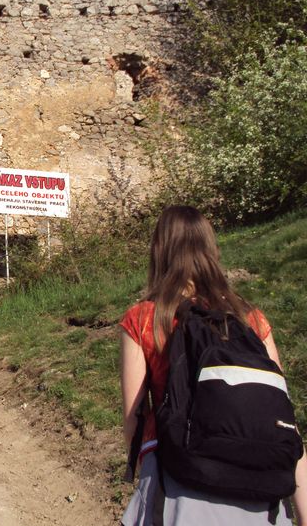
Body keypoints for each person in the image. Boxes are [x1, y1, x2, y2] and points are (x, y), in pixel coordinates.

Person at [120, 205, 307, 525]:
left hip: (176, 481)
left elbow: (134, 420)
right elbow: (284, 418)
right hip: (258, 487)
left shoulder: (144, 319)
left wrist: (145, 477)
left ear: (159, 250)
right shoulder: (251, 320)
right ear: (211, 249)